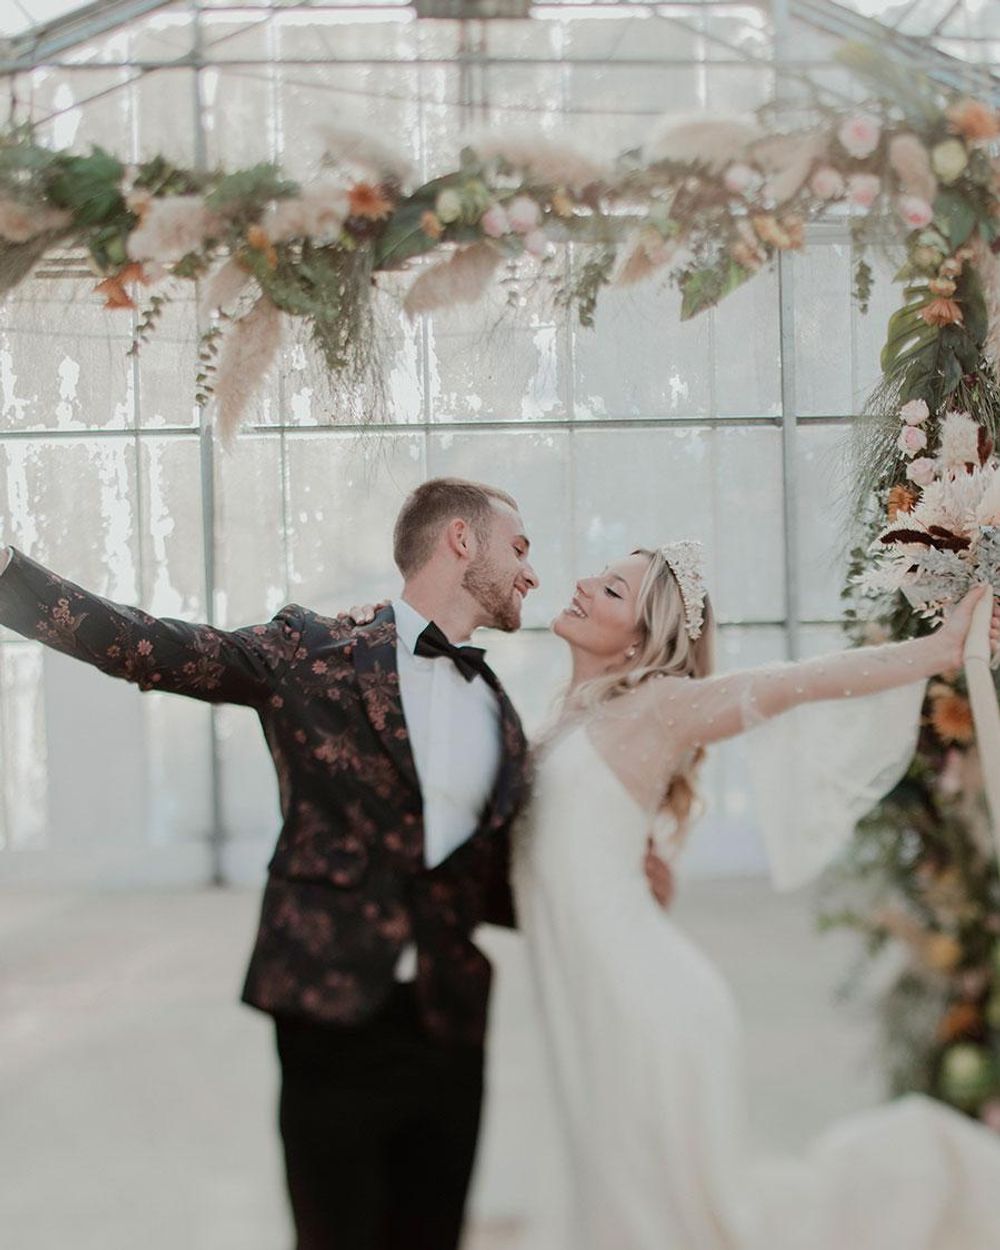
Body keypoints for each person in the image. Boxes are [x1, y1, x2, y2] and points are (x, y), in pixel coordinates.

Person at [0, 477, 672, 1250]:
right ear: (460, 540)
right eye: (518, 548)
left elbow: (487, 885)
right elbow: (146, 646)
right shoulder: (308, 651)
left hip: (450, 1030)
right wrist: (6, 572)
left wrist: (614, 881)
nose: (533, 572)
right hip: (330, 1014)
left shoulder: (498, 707)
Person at [512, 541, 1000, 1250]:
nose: (584, 582)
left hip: (642, 1008)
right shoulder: (564, 725)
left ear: (642, 643)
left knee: (666, 1221)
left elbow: (787, 682)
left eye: (613, 592)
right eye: (601, 575)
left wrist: (938, 650)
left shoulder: (656, 706)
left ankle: (938, 1172)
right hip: (593, 996)